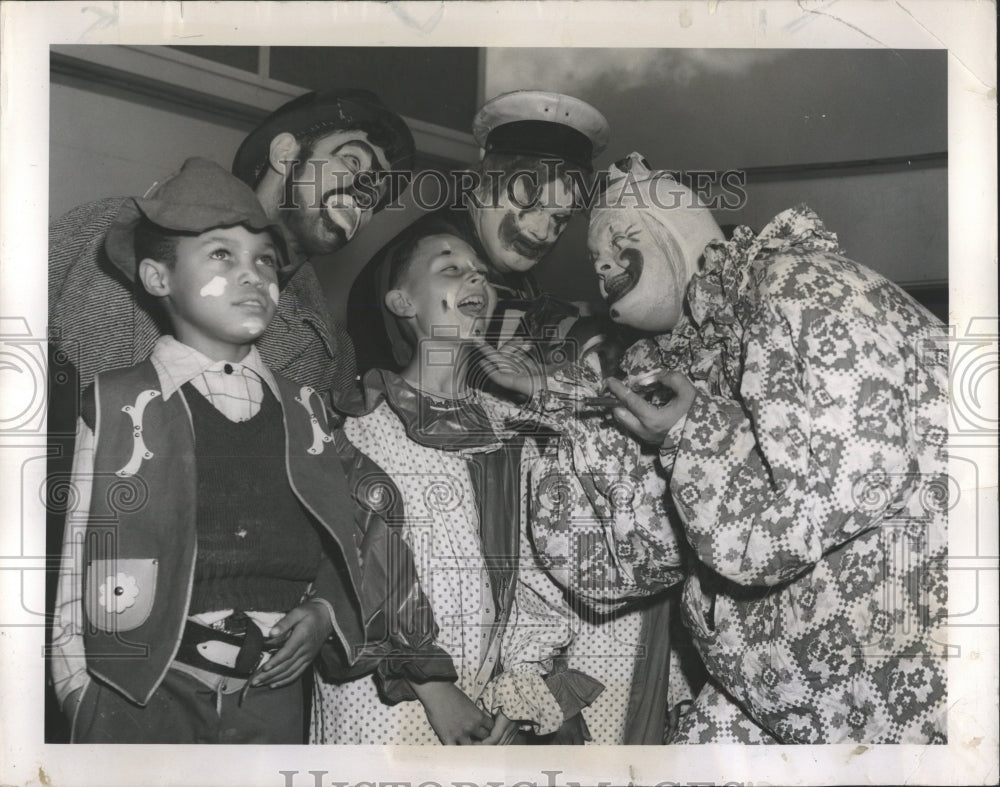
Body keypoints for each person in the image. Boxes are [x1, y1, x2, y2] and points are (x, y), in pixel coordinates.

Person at [518, 153, 949, 744]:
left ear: (681, 227)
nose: (604, 265)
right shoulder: (690, 361)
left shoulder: (804, 286)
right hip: (778, 703)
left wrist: (688, 431)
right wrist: (573, 417)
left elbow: (810, 510)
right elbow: (615, 569)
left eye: (621, 239)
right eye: (595, 260)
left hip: (897, 709)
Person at [49, 159, 454, 744]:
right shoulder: (117, 404)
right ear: (159, 279)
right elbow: (75, 564)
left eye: (264, 259)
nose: (252, 274)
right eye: (221, 255)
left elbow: (348, 541)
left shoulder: (308, 411)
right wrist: (77, 697)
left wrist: (322, 614)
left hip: (273, 697)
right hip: (142, 696)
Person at [311, 217, 603, 745]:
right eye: (452, 269)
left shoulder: (507, 430)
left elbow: (532, 572)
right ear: (403, 303)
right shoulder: (358, 423)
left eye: (480, 273)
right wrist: (433, 687)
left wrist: (521, 686)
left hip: (486, 701)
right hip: (388, 701)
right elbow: (357, 569)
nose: (476, 281)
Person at [49, 88, 416, 403]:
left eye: (378, 194)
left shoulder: (330, 356)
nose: (366, 194)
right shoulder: (105, 227)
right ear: (285, 153)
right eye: (352, 161)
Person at [347, 90, 611, 376]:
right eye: (528, 202)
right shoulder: (426, 259)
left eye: (560, 217)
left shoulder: (503, 259)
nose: (542, 231)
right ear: (480, 184)